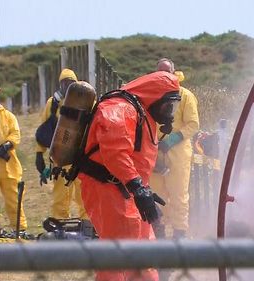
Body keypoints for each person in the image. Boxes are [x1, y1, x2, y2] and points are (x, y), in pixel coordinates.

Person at [78, 71, 180, 281]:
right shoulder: (120, 109)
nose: (169, 112)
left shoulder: (141, 112)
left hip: (127, 190)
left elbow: (135, 159)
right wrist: (138, 187)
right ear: (154, 97)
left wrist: (142, 190)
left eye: (173, 107)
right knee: (117, 253)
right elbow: (115, 153)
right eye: (167, 106)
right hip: (109, 189)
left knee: (143, 250)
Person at [151, 58, 199, 239]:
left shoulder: (185, 95)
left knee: (179, 194)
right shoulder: (152, 96)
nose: (164, 76)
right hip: (155, 153)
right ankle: (160, 232)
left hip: (178, 153)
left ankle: (180, 234)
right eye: (160, 72)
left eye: (167, 72)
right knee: (157, 194)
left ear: (174, 72)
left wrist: (173, 139)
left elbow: (193, 124)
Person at [35, 68, 87, 219]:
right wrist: (39, 153)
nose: (67, 86)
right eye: (64, 83)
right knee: (60, 197)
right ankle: (59, 226)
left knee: (83, 195)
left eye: (70, 83)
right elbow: (44, 129)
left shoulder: (86, 101)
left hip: (80, 157)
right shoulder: (53, 103)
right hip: (59, 157)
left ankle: (88, 226)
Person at [0, 85, 29, 236]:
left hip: (8, 166)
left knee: (14, 199)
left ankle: (20, 229)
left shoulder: (8, 116)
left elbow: (15, 135)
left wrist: (5, 147)